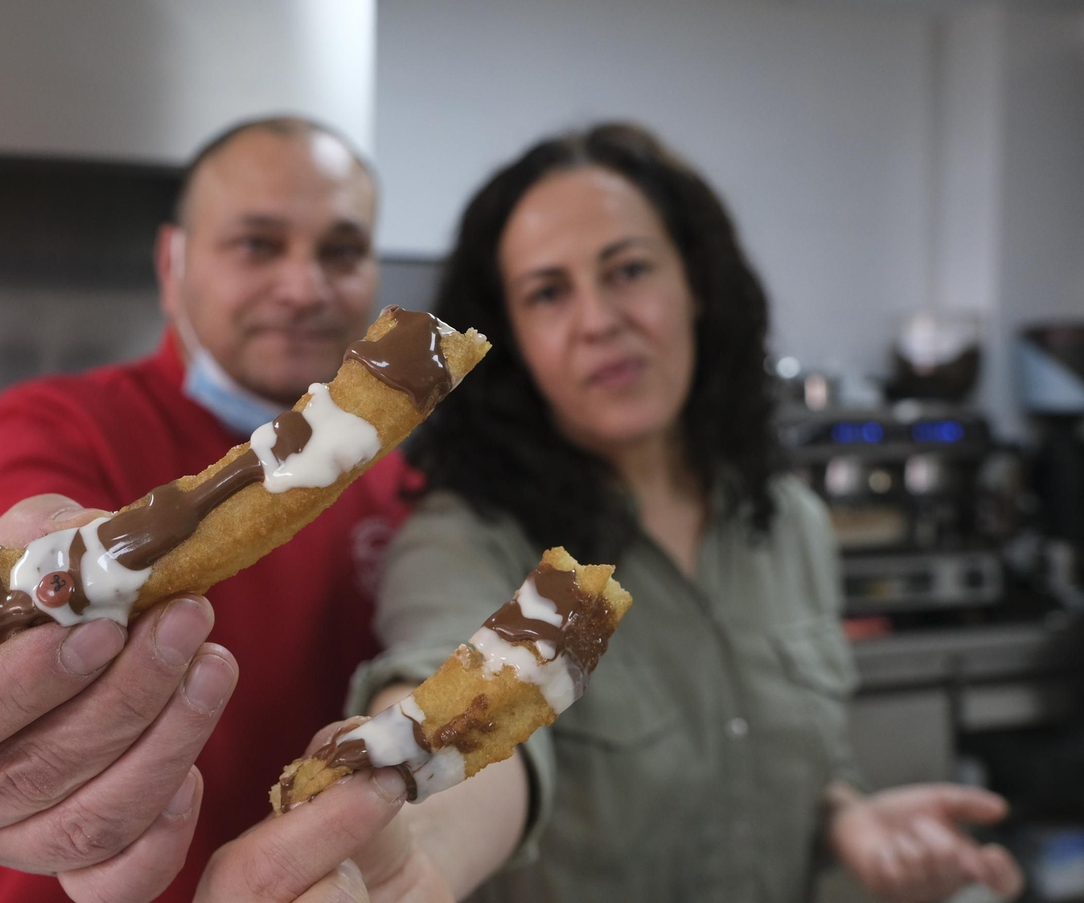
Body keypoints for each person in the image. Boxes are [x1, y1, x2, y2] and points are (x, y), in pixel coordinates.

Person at [335, 123, 1028, 902]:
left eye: (627, 270)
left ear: (695, 283)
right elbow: (453, 704)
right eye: (549, 292)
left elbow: (793, 750)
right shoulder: (469, 542)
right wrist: (418, 844)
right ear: (514, 339)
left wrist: (845, 816)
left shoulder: (789, 523)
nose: (598, 320)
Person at [0, 115, 420, 902]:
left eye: (342, 251)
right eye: (257, 244)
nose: (304, 287)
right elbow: (24, 532)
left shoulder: (399, 487)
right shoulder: (56, 423)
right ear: (172, 265)